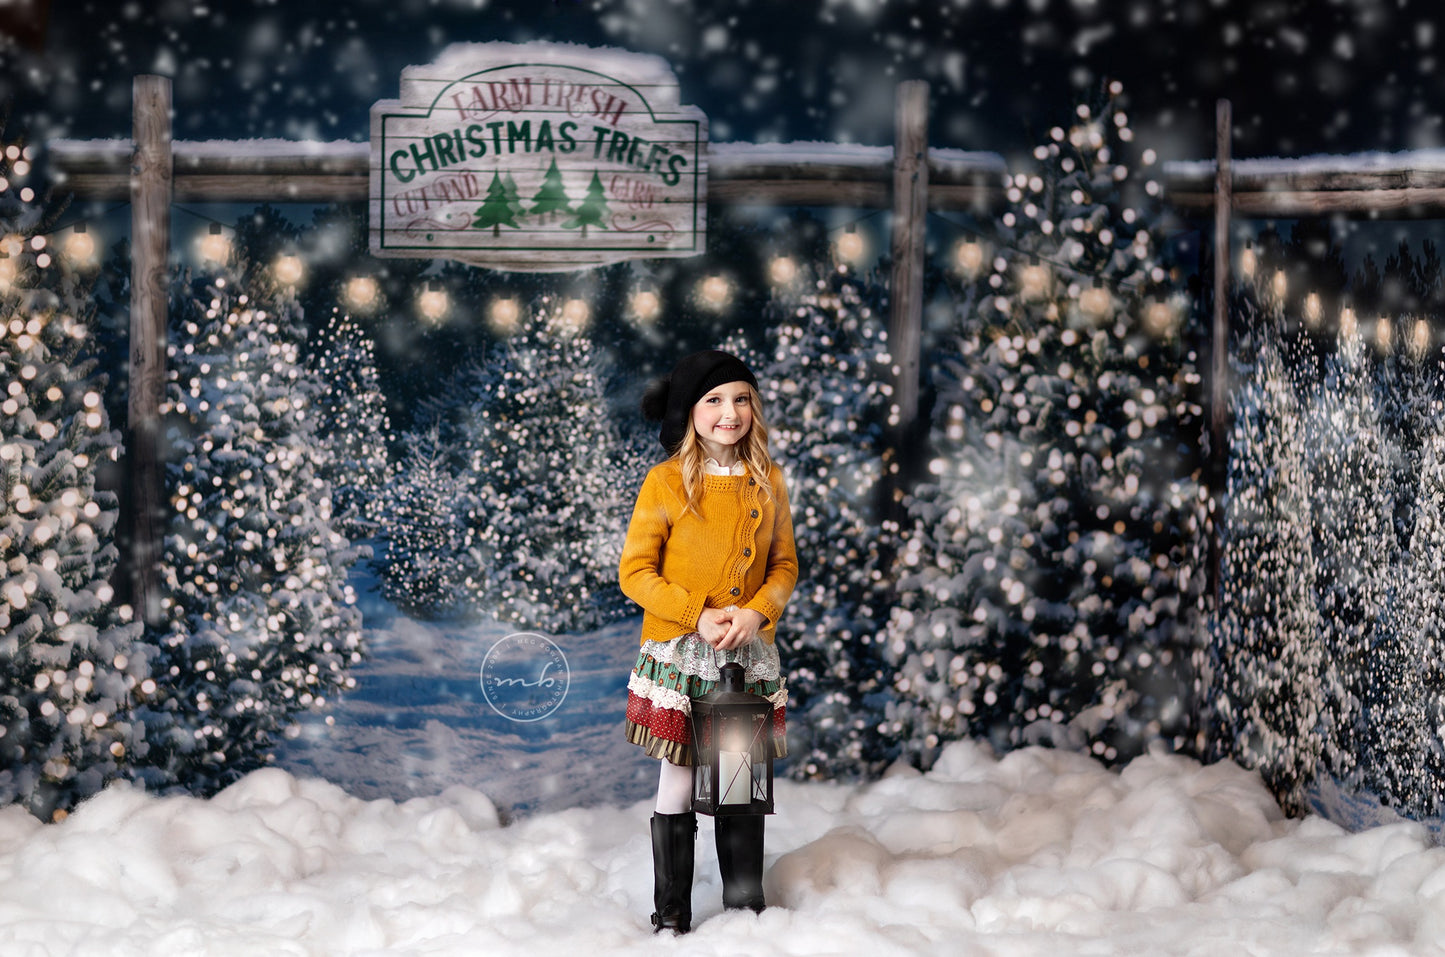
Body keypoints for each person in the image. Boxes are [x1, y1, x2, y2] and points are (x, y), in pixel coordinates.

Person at [619, 349, 798, 934]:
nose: (729, 413)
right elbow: (636, 572)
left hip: (743, 655)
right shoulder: (666, 482)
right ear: (689, 412)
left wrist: (757, 611)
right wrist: (696, 615)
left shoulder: (767, 481)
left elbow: (784, 566)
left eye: (741, 399)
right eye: (714, 400)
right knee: (679, 774)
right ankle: (670, 914)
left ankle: (745, 909)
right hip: (686, 649)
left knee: (739, 780)